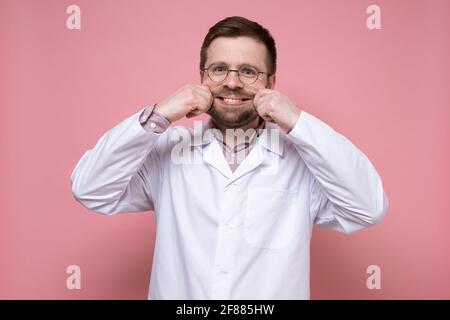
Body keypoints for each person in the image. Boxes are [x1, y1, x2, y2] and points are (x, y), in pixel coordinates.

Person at [71, 16, 388, 299]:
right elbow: (90, 188)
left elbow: (367, 208)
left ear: (271, 83)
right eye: (219, 69)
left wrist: (299, 122)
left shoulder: (305, 161)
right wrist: (160, 115)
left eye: (248, 71)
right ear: (201, 76)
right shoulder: (167, 152)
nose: (232, 82)